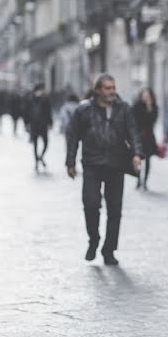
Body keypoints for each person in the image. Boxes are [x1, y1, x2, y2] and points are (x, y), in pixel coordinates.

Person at [66, 74, 142, 266]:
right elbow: (73, 136)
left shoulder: (123, 109)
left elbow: (133, 131)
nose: (112, 92)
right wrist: (70, 162)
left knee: (115, 209)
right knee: (91, 205)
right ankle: (94, 240)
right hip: (92, 164)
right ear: (98, 90)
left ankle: (109, 250)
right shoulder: (84, 110)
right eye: (107, 88)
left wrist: (136, 154)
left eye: (113, 87)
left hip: (116, 164)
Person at [132, 88, 159, 191]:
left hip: (148, 137)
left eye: (148, 95)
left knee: (148, 160)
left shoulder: (153, 107)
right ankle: (138, 180)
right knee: (139, 159)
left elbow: (153, 120)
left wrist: (149, 107)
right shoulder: (136, 106)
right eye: (144, 95)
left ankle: (145, 181)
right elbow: (134, 121)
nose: (146, 97)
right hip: (138, 136)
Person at [27, 83, 53, 172]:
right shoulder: (33, 99)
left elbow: (49, 111)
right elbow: (27, 112)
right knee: (36, 144)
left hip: (39, 125)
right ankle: (37, 161)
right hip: (38, 125)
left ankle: (39, 158)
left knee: (42, 143)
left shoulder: (43, 99)